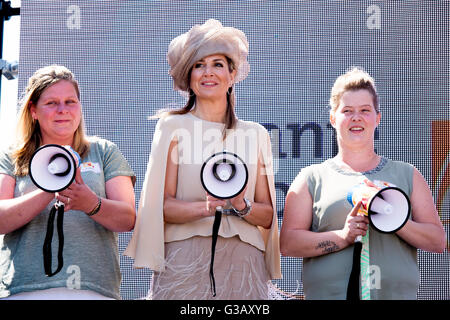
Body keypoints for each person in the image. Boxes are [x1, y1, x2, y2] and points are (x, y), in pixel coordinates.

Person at [124, 19, 281, 299]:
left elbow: (268, 215)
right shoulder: (172, 126)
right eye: (199, 65)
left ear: (232, 75)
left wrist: (240, 205)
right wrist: (207, 207)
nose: (208, 73)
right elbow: (162, 206)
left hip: (244, 260)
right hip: (184, 258)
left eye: (218, 64)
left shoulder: (256, 134)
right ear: (189, 76)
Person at [280, 67, 446, 300]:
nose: (356, 117)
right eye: (347, 111)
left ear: (378, 118)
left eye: (365, 110)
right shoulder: (311, 177)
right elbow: (288, 244)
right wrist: (343, 236)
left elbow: (437, 241)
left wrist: (394, 220)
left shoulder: (408, 174)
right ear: (333, 119)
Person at [0, 65, 136, 299]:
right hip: (23, 289)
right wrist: (48, 189)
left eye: (70, 102)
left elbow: (128, 219)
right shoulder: (13, 156)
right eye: (51, 103)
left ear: (80, 107)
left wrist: (90, 203)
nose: (62, 110)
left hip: (94, 289)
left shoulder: (104, 151)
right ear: (33, 110)